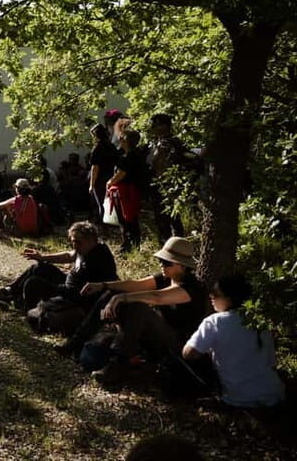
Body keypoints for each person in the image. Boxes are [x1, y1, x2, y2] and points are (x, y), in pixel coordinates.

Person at [59, 237, 207, 388]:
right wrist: (103, 285)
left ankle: (118, 364)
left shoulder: (192, 288)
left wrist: (122, 298)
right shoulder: (165, 278)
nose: (162, 265)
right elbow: (136, 284)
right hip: (152, 335)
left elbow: (157, 297)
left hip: (175, 344)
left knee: (138, 307)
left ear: (182, 266)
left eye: (167, 263)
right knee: (112, 293)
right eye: (161, 261)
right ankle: (75, 342)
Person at [183, 275, 285, 408]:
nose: (211, 296)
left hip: (239, 399)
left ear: (229, 299)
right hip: (275, 395)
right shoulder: (259, 322)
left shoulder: (214, 321)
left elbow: (188, 353)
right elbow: (271, 362)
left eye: (216, 294)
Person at [0, 221, 117, 312]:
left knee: (33, 283)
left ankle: (23, 307)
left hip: (74, 295)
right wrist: (42, 257)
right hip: (67, 284)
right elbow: (69, 255)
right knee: (39, 267)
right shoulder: (85, 248)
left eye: (78, 242)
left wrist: (57, 288)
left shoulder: (100, 258)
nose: (75, 246)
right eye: (73, 242)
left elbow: (90, 290)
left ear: (91, 240)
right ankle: (8, 292)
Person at [148, 113, 193, 243]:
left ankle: (175, 244)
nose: (154, 128)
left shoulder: (171, 143)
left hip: (168, 184)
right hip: (160, 184)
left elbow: (185, 158)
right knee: (163, 217)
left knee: (171, 217)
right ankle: (168, 242)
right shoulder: (156, 143)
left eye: (157, 125)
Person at [107, 129, 147, 251]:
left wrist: (110, 182)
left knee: (126, 218)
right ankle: (133, 242)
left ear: (126, 141)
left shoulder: (128, 157)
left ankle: (129, 244)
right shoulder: (137, 154)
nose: (119, 141)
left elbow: (121, 173)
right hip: (131, 190)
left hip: (125, 192)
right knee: (131, 218)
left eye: (121, 139)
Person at [88, 124, 119, 226]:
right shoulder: (112, 147)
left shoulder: (97, 149)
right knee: (111, 202)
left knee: (101, 204)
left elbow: (95, 168)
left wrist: (92, 185)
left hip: (100, 179)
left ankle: (103, 225)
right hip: (112, 177)